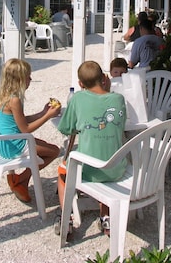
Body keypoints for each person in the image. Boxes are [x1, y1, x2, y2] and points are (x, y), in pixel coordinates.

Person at [57, 61, 127, 235]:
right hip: (116, 169)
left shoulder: (78, 99)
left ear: (81, 84)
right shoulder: (118, 99)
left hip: (89, 170)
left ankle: (68, 217)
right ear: (104, 78)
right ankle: (106, 217)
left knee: (62, 171)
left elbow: (66, 128)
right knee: (105, 152)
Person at [0, 59, 61, 203]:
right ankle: (21, 179)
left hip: (4, 143)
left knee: (44, 147)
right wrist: (48, 116)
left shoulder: (5, 94)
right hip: (14, 145)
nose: (31, 79)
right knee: (54, 151)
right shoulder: (15, 100)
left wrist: (42, 112)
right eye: (28, 76)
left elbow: (20, 120)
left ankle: (20, 181)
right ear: (19, 79)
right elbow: (25, 128)